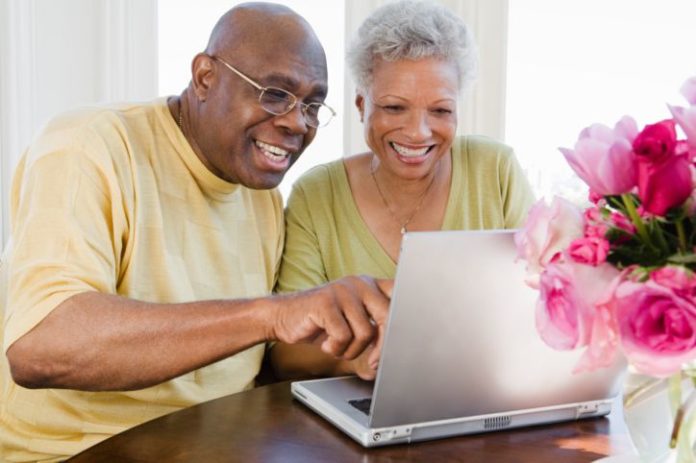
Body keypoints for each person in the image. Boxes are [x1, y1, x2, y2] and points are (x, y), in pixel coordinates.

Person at [0, 3, 392, 462]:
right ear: (205, 76)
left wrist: (371, 349)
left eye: (311, 104)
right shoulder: (87, 147)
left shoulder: (258, 191)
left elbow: (256, 354)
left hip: (221, 443)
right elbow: (42, 347)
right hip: (79, 452)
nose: (296, 122)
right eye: (273, 93)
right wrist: (272, 313)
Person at [271, 0, 535, 381]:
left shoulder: (495, 170)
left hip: (481, 397)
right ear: (362, 106)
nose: (418, 132)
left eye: (441, 111)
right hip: (358, 410)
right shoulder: (317, 195)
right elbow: (287, 354)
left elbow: (543, 304)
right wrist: (357, 362)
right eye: (395, 108)